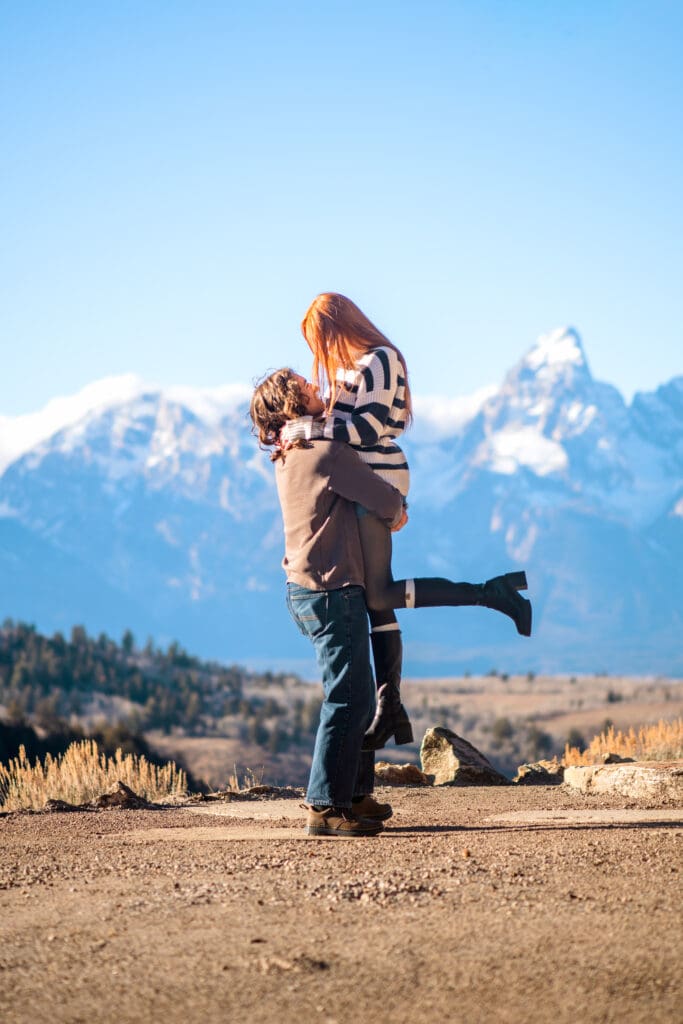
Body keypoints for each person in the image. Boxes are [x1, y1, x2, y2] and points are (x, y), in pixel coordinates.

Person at [281, 293, 532, 752]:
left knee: (377, 592)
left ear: (338, 327)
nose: (318, 352)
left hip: (377, 478)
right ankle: (389, 705)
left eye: (320, 339)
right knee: (374, 598)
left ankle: (489, 594)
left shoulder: (381, 360)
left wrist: (309, 430)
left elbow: (368, 430)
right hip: (358, 483)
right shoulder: (343, 370)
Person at [250, 368, 407, 837]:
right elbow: (382, 498)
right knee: (348, 696)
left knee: (354, 694)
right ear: (291, 403)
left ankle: (354, 795)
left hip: (307, 589)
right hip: (332, 589)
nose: (317, 387)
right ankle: (325, 806)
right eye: (305, 385)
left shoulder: (289, 454)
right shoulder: (326, 452)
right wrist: (398, 511)